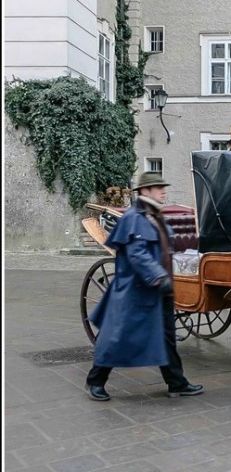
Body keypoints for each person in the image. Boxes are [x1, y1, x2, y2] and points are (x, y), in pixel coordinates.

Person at [85, 172, 203, 401]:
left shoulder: (154, 215)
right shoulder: (134, 218)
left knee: (167, 337)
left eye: (162, 187)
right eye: (158, 187)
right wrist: (159, 277)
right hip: (135, 289)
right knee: (115, 336)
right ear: (145, 191)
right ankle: (95, 381)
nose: (163, 191)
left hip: (159, 290)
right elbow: (138, 254)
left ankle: (176, 383)